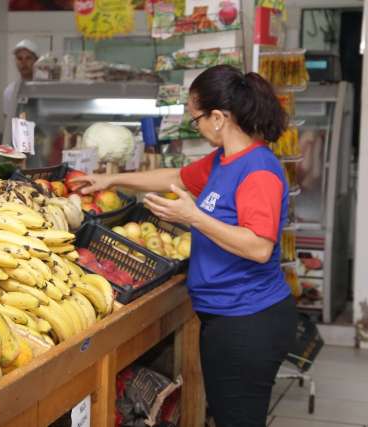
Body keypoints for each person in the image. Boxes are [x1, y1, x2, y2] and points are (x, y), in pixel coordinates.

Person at [72, 64, 297, 427]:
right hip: (225, 316)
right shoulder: (224, 160)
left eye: (197, 120)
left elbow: (258, 246)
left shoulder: (258, 171)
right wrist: (109, 178)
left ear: (219, 117)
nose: (198, 127)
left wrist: (193, 217)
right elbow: (175, 176)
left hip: (248, 320)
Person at [3, 39, 39, 146]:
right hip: (19, 144)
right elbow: (8, 123)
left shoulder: (43, 89)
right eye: (19, 58)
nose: (23, 63)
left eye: (28, 58)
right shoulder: (10, 91)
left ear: (36, 61)